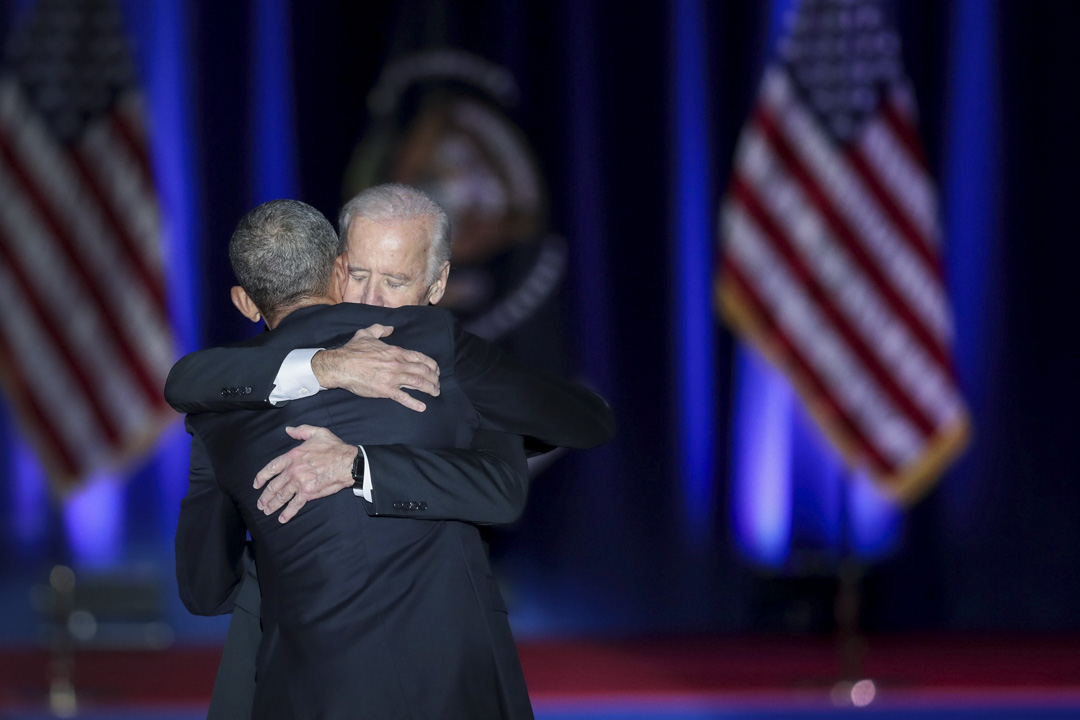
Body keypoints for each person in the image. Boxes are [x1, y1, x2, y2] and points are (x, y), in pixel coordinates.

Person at [172, 194, 613, 719]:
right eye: (361, 275)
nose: (374, 300)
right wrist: (325, 367)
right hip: (445, 687)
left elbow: (204, 589)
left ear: (438, 283)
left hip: (305, 690)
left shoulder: (217, 404)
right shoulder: (432, 346)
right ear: (337, 272)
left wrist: (352, 474)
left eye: (395, 281)